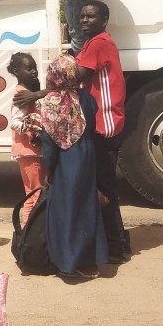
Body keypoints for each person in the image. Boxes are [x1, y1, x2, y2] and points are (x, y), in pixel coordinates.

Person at [37, 54, 109, 278]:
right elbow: (92, 125)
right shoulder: (86, 98)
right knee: (86, 206)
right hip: (86, 155)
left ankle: (68, 261)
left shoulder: (51, 103)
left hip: (66, 160)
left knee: (66, 209)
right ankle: (91, 260)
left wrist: (48, 168)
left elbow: (49, 142)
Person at [75, 1, 131, 264]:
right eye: (83, 16)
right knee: (101, 186)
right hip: (101, 124)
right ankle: (112, 242)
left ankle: (117, 246)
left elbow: (74, 76)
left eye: (91, 16)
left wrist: (39, 93)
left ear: (104, 20)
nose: (85, 20)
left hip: (104, 126)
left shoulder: (98, 43)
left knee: (104, 189)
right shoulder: (93, 42)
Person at [8, 52, 44, 227]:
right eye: (29, 68)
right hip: (30, 152)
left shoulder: (28, 92)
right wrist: (34, 129)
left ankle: (26, 234)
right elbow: (14, 122)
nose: (34, 72)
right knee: (37, 194)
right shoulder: (22, 95)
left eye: (35, 68)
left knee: (31, 194)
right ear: (16, 71)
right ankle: (34, 234)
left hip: (28, 151)